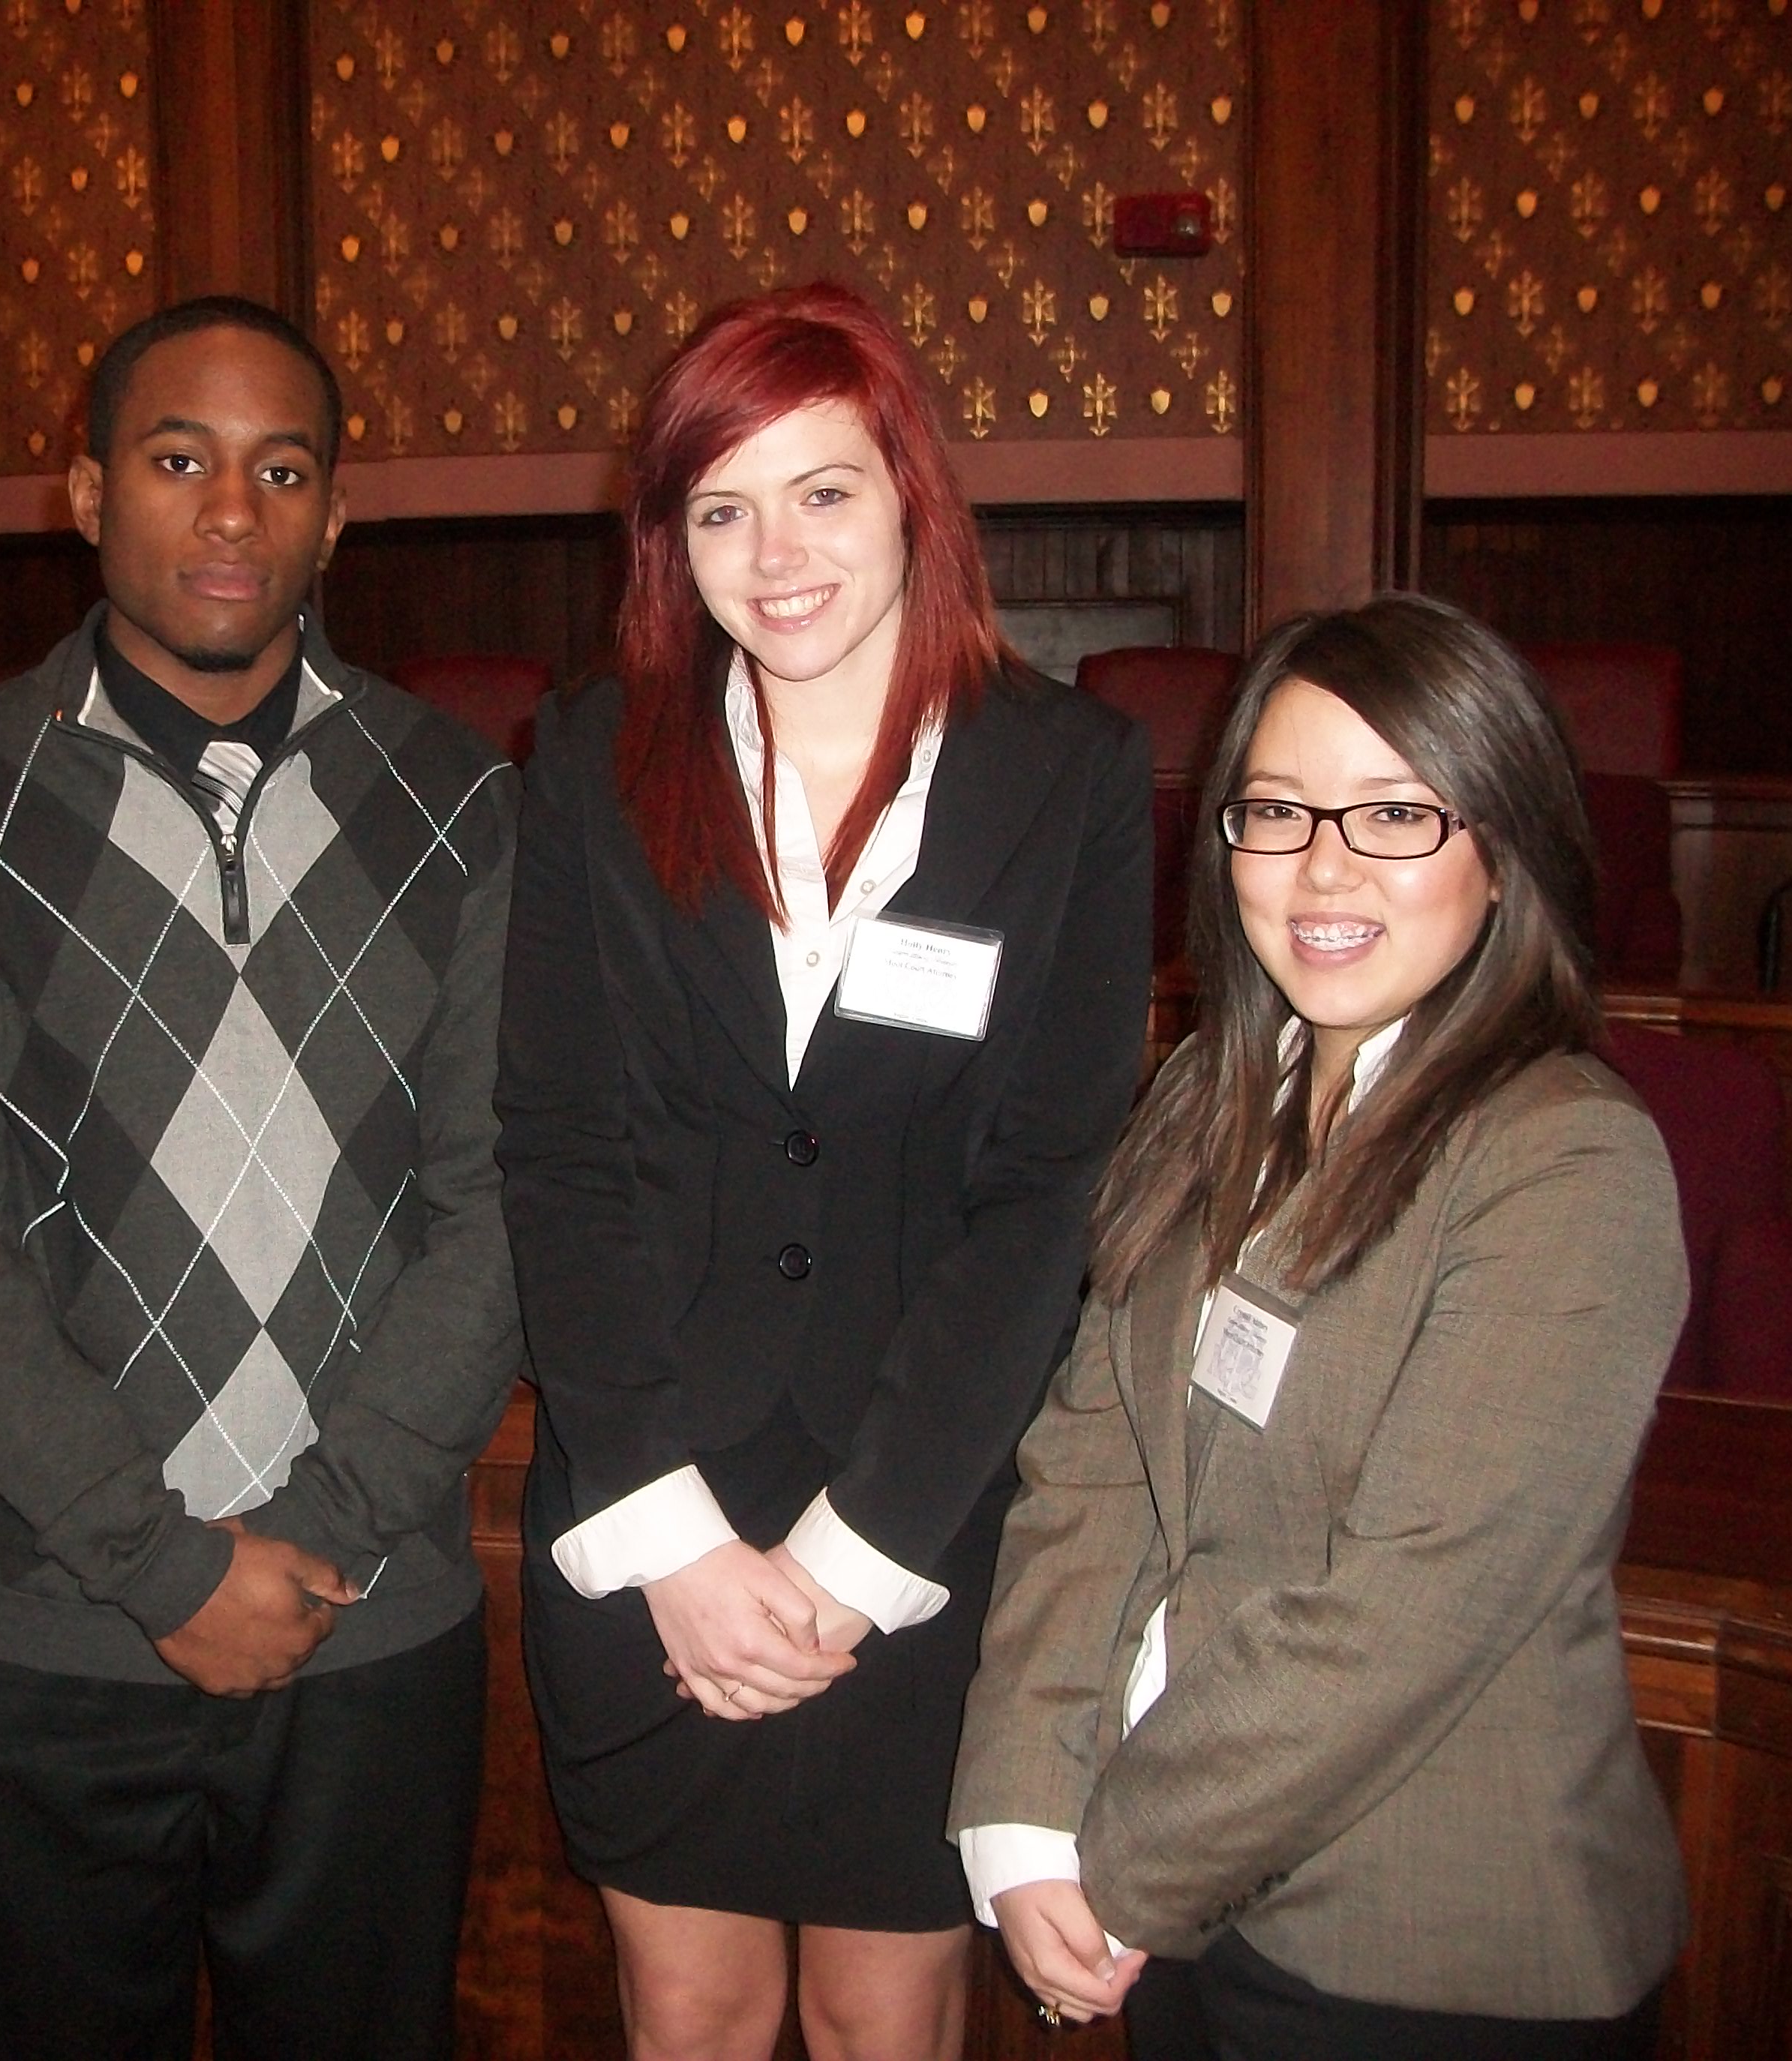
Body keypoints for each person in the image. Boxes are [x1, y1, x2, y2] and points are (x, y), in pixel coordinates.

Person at [0, 295, 524, 2061]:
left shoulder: (463, 804)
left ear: (334, 517)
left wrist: (314, 1529)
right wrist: (158, 1565)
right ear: (84, 492)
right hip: (38, 1645)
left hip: (366, 1632)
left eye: (280, 468)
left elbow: (499, 1202)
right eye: (177, 458)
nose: (231, 509)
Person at [494, 281, 1152, 2060]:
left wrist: (856, 1561)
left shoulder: (1067, 776)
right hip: (651, 1514)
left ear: (908, 500)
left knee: (888, 2017)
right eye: (719, 507)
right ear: (668, 540)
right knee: (687, 2013)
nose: (771, 553)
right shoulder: (586, 758)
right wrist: (672, 1543)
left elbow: (1043, 1192)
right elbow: (559, 1150)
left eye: (821, 492)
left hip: (918, 1516)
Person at [952, 595, 1689, 2059]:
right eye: (1275, 811)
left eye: (1395, 814)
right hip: (1179, 1912)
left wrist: (1120, 1863)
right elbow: (1088, 1473)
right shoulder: (1202, 1103)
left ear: (1503, 852)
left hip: (1435, 1960)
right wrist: (1021, 1811)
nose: (1321, 866)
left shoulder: (1559, 1158)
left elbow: (1407, 1612)